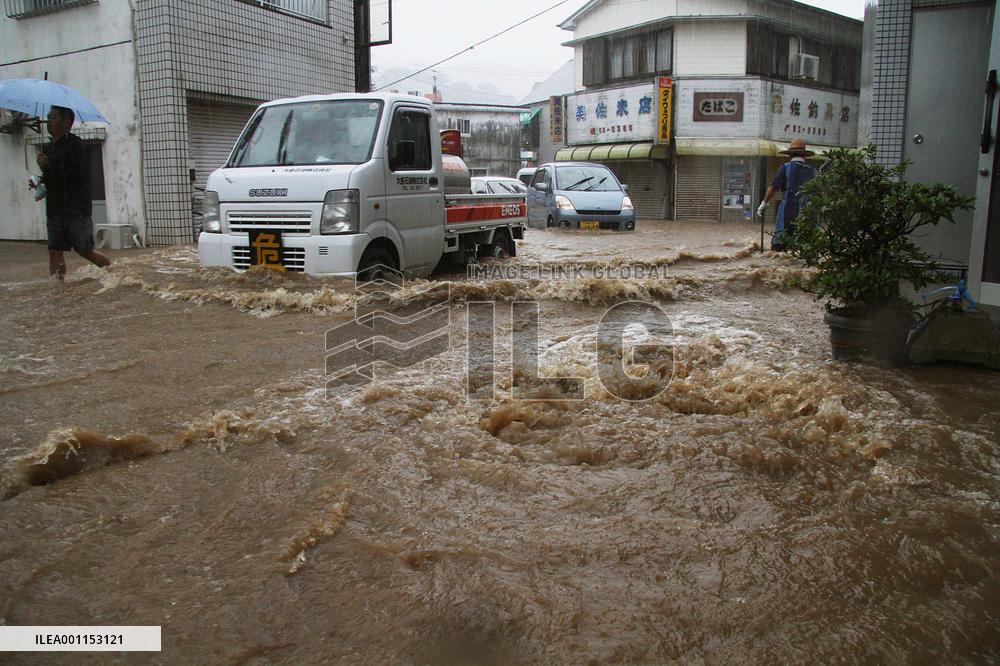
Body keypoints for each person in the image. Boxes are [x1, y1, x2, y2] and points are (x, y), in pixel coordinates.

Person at [33, 105, 111, 279]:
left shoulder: (76, 145)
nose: (48, 122)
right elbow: (51, 178)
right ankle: (57, 286)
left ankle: (116, 272)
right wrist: (39, 180)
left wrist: (49, 165)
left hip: (76, 209)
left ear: (66, 122)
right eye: (48, 117)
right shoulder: (48, 148)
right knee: (54, 250)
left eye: (53, 118)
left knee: (85, 250)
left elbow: (74, 175)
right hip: (55, 208)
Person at [757, 138, 818, 251]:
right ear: (804, 155)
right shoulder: (813, 171)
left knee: (781, 244)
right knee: (806, 244)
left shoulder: (785, 168)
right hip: (807, 211)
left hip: (788, 210)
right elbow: (820, 191)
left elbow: (773, 187)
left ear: (790, 154)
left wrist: (763, 204)